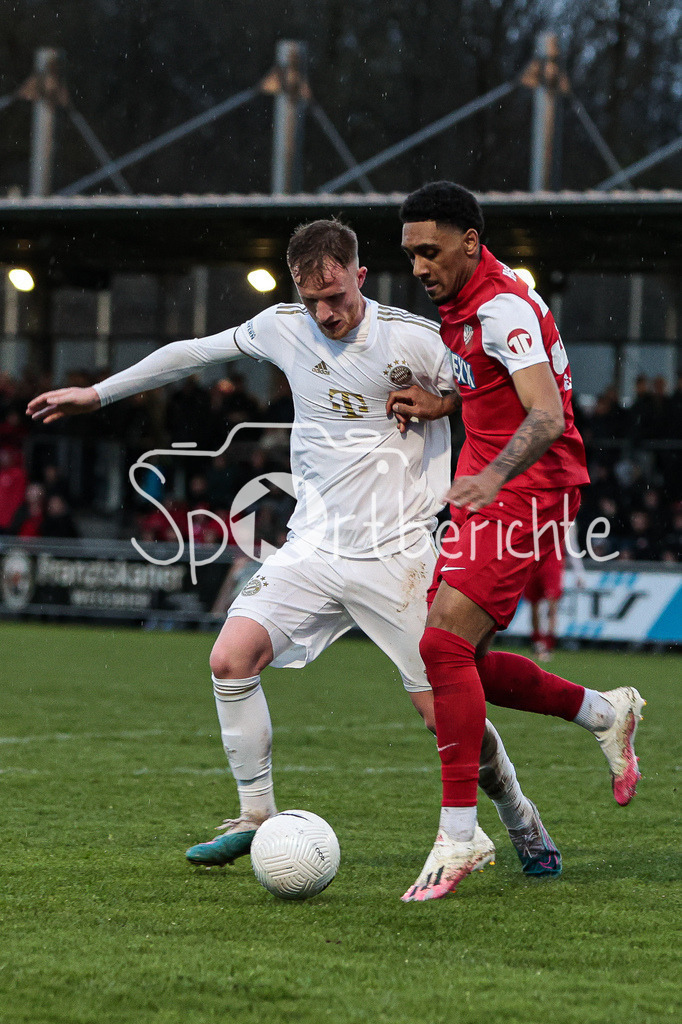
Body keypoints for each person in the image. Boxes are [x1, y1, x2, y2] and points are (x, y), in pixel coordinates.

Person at [28, 219, 564, 882]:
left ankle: (520, 815)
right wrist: (97, 393)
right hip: (312, 546)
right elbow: (191, 352)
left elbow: (497, 393)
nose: (326, 312)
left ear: (360, 276)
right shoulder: (284, 326)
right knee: (230, 658)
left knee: (443, 716)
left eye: (337, 296)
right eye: (313, 299)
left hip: (399, 555)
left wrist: (445, 400)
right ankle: (254, 817)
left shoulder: (416, 337)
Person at [393, 181, 645, 902]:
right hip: (491, 481)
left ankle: (460, 834)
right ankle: (604, 711)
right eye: (410, 254)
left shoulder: (502, 308)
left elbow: (545, 416)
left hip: (527, 485)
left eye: (430, 251)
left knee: (440, 649)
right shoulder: (464, 303)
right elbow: (493, 390)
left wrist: (492, 473)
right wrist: (446, 404)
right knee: (464, 658)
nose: (418, 267)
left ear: (471, 241)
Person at [523, 524, 586, 661]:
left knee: (552, 606)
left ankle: (548, 644)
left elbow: (572, 545)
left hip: (552, 566)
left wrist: (579, 573)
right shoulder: (533, 513)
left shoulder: (565, 516)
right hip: (533, 564)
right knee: (534, 607)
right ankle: (537, 640)